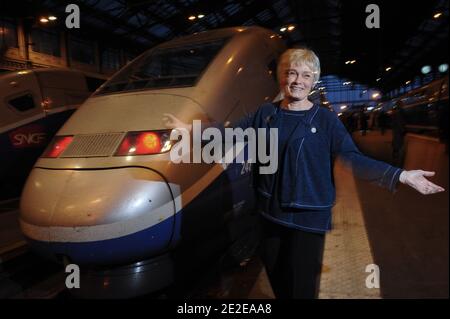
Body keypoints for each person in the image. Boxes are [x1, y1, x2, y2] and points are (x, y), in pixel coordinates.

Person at [162, 48, 444, 299]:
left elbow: (352, 158)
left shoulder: (325, 120)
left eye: (306, 75)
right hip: (271, 213)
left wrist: (400, 175)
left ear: (314, 80)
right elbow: (230, 133)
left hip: (307, 218)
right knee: (279, 280)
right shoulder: (265, 114)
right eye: (291, 73)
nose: (297, 81)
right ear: (282, 78)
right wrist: (190, 131)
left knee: (300, 288)